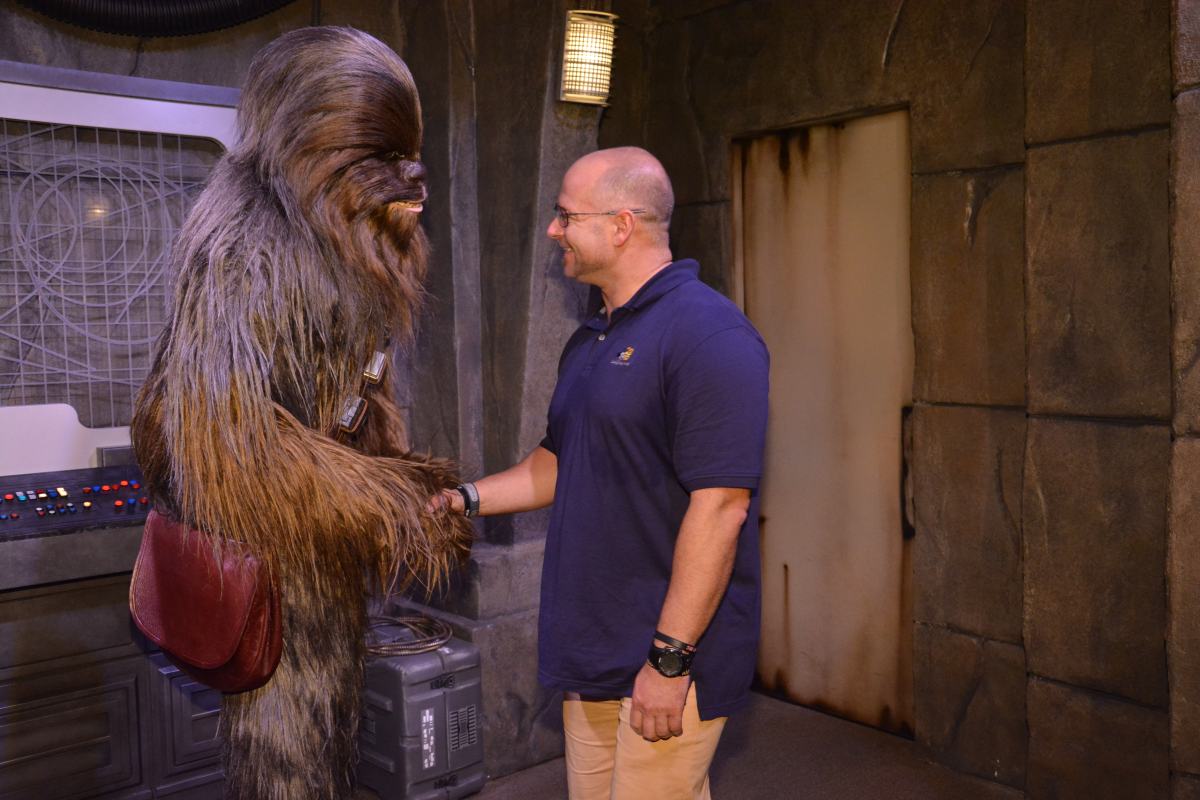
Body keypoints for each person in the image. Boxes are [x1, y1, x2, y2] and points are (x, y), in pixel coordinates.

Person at [132, 28, 472, 800]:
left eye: (410, 155)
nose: (414, 177)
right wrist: (390, 498)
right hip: (267, 565)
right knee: (285, 753)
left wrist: (393, 469)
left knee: (328, 728)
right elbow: (227, 442)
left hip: (319, 556)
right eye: (382, 158)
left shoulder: (334, 235)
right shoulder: (247, 246)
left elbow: (354, 389)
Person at [438, 146, 769, 799]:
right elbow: (558, 464)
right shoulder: (591, 338)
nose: (553, 230)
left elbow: (722, 507)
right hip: (594, 646)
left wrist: (668, 662)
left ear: (622, 226)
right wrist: (460, 500)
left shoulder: (710, 336)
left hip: (668, 654)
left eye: (567, 216)